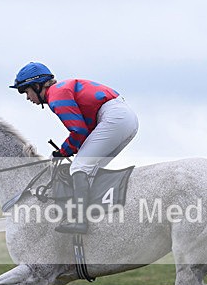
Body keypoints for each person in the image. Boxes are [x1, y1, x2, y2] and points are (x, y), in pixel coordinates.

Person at [10, 62, 139, 234]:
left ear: (37, 85)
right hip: (124, 119)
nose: (27, 97)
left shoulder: (56, 95)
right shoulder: (61, 91)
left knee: (79, 166)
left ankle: (80, 220)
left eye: (26, 91)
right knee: (89, 170)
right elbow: (82, 132)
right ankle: (100, 218)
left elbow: (79, 131)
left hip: (115, 118)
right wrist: (67, 150)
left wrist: (62, 152)